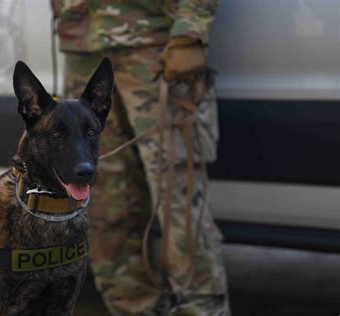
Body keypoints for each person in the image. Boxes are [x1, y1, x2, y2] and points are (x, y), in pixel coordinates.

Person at [51, 1, 230, 315]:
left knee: (178, 200)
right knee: (106, 204)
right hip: (84, 44)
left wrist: (190, 31)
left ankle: (202, 309)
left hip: (157, 46)